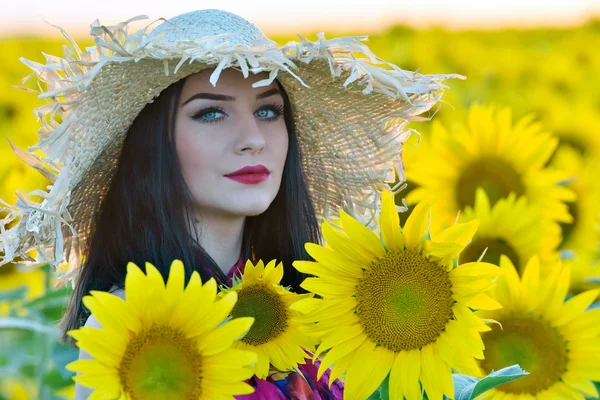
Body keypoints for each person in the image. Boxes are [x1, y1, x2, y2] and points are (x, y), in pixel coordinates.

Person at [0, 8, 460, 399]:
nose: (253, 140)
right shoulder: (129, 332)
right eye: (211, 113)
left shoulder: (329, 305)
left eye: (268, 110)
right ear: (153, 145)